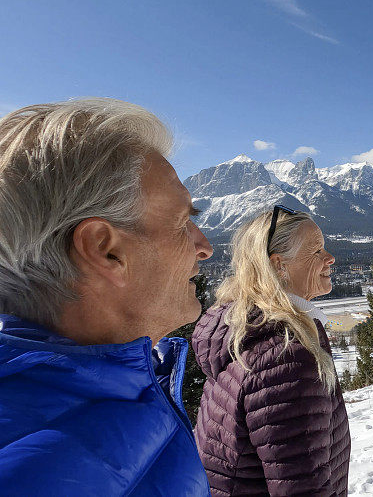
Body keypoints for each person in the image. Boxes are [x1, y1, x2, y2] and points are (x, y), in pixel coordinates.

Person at [0, 99, 213, 495]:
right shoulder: (40, 474)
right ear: (105, 250)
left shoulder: (124, 392)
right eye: (184, 221)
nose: (204, 247)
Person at [192, 205, 351, 496]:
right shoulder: (285, 354)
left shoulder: (239, 329)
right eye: (316, 251)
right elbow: (301, 485)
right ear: (279, 265)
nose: (330, 258)